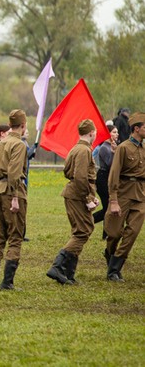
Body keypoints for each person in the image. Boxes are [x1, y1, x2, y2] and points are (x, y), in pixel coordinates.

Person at [46, 120, 99, 285]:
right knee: (82, 231)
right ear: (91, 133)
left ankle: (68, 273)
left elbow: (67, 171)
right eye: (95, 132)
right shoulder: (84, 150)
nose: (96, 134)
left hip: (74, 193)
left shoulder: (75, 148)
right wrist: (88, 198)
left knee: (81, 229)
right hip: (78, 195)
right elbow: (81, 176)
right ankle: (57, 267)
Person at [0, 109, 28, 290]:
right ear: (24, 125)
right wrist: (16, 197)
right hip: (13, 192)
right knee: (15, 236)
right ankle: (7, 282)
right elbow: (14, 172)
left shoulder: (1, 143)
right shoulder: (19, 145)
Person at [105, 111, 145, 282]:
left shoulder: (144, 149)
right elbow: (113, 175)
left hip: (141, 195)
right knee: (114, 233)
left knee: (133, 232)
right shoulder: (123, 148)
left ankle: (114, 268)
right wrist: (113, 200)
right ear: (137, 129)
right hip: (122, 194)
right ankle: (109, 254)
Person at [93, 125, 118, 232]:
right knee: (108, 208)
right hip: (102, 179)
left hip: (108, 178)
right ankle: (87, 221)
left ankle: (106, 232)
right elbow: (110, 164)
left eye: (117, 132)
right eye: (114, 132)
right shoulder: (104, 147)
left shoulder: (112, 146)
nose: (117, 134)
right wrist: (114, 152)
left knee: (108, 208)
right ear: (108, 134)